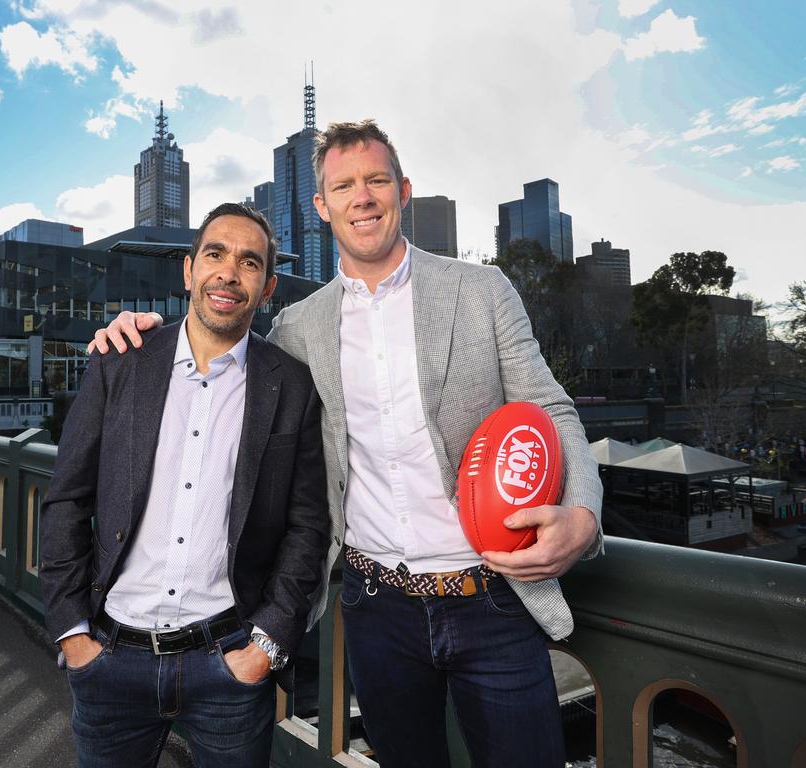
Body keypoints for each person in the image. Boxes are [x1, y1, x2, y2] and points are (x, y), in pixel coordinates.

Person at [89, 121, 603, 768]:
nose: (362, 197)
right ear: (321, 205)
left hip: (493, 602)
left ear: (403, 191)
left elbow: (549, 406)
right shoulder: (298, 327)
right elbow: (223, 374)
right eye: (344, 185)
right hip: (374, 610)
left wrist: (583, 513)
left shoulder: (482, 291)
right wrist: (141, 338)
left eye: (376, 180)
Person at [40, 202, 329, 768]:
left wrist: (265, 647)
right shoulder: (121, 360)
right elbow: (67, 499)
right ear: (188, 271)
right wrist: (73, 635)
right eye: (215, 254)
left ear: (267, 288)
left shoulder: (289, 384)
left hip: (228, 663)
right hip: (110, 657)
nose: (229, 272)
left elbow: (307, 526)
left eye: (249, 263)